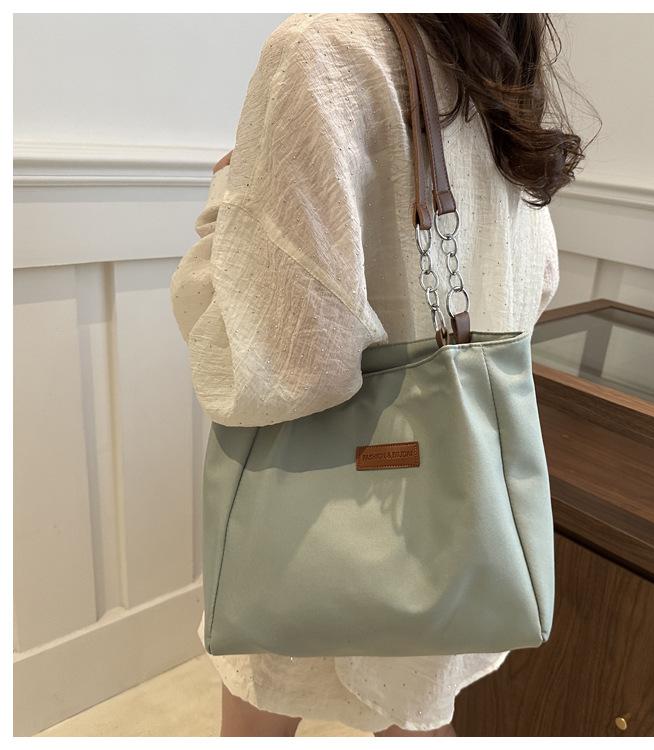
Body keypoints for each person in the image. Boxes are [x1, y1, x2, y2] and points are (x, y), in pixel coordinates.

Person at [170, 12, 584, 737]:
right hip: (456, 515)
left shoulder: (322, 52)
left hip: (305, 527)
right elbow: (536, 283)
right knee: (418, 712)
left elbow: (284, 364)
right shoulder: (499, 67)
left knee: (263, 706)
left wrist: (224, 208)